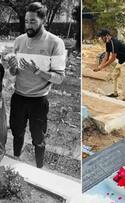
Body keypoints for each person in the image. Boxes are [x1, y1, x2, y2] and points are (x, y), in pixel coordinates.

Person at [7, 2, 66, 168]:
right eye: (26, 21)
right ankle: (15, 163)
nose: (28, 25)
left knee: (38, 139)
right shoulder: (19, 41)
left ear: (43, 20)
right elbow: (14, 73)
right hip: (18, 97)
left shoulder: (55, 43)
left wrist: (38, 71)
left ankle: (39, 168)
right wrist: (12, 68)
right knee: (17, 134)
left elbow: (59, 78)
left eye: (32, 21)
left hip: (38, 101)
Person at [94, 29, 125, 101]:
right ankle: (115, 93)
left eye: (102, 37)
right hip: (121, 61)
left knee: (123, 79)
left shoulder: (113, 42)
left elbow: (112, 58)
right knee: (114, 76)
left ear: (107, 36)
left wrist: (102, 67)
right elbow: (106, 57)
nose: (101, 39)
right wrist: (100, 67)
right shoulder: (107, 43)